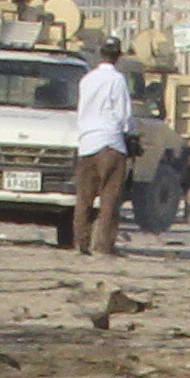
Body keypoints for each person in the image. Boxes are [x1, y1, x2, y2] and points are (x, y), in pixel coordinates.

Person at [71, 36, 137, 256]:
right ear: (119, 56)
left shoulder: (87, 79)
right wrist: (129, 133)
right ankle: (104, 245)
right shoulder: (117, 80)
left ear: (100, 54)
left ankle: (81, 242)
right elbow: (123, 114)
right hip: (110, 143)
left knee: (84, 197)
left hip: (87, 142)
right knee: (109, 198)